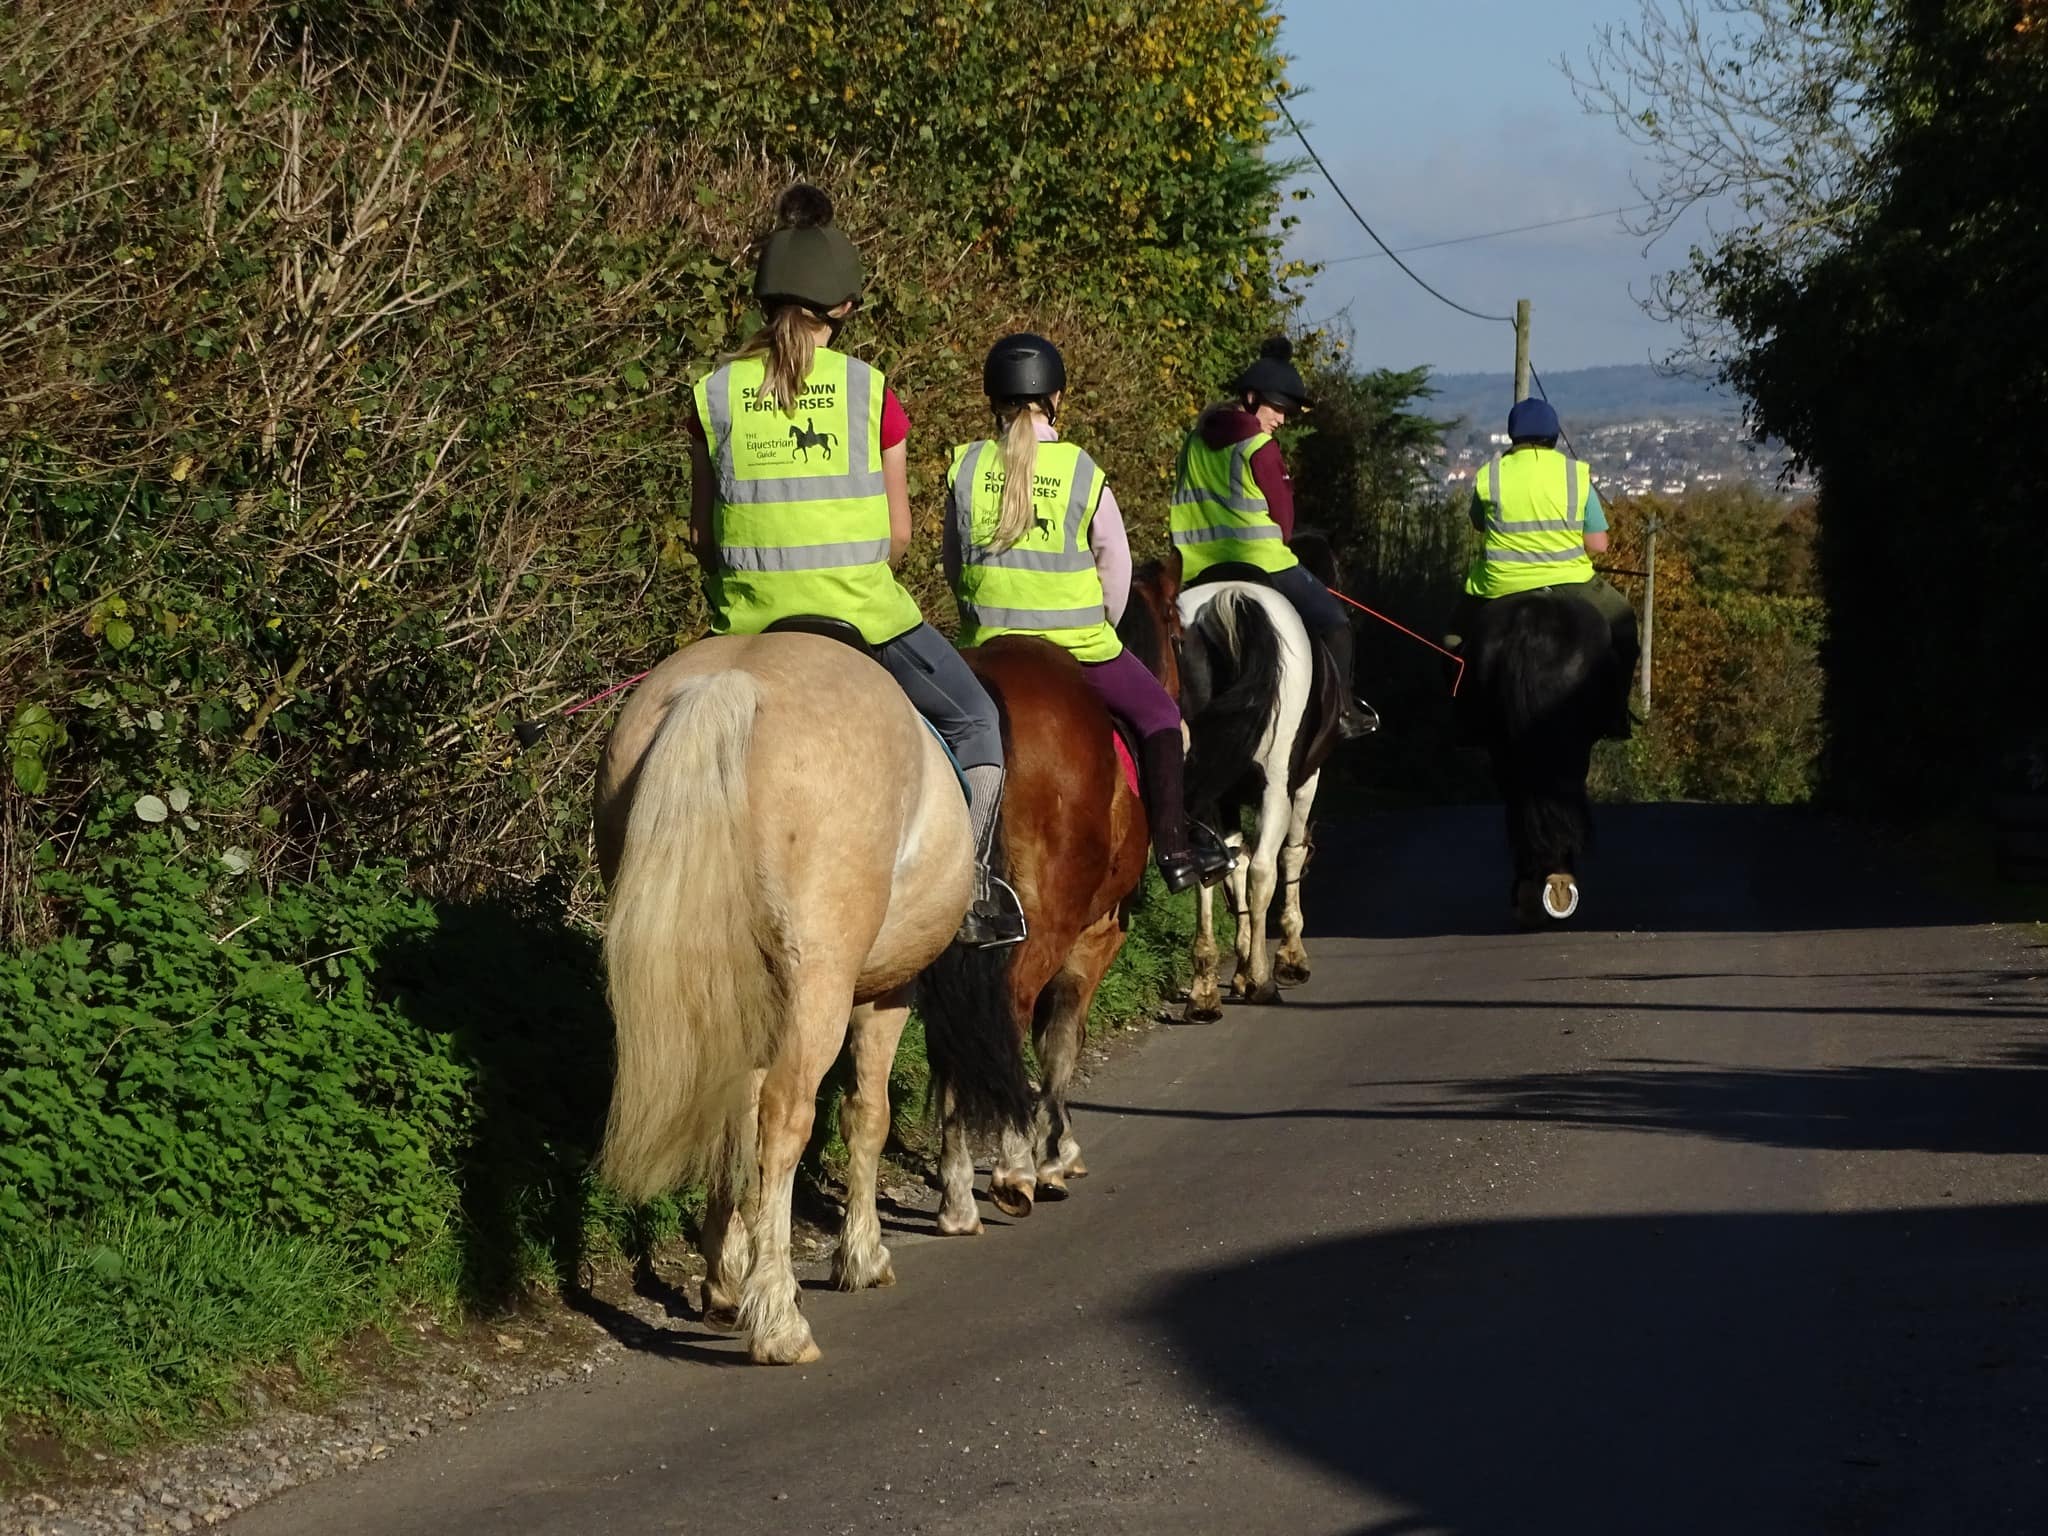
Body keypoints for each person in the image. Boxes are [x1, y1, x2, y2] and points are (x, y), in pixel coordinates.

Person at [685, 185, 1025, 946]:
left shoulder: (712, 397)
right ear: (844, 306)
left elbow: (703, 537)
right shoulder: (872, 393)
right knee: (975, 718)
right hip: (861, 617)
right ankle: (972, 892)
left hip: (742, 627)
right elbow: (899, 537)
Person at [943, 334, 1235, 894]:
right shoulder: (1081, 470)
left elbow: (953, 565)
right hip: (1079, 645)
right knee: (1159, 718)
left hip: (986, 644)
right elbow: (1116, 569)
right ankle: (1175, 851)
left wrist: (981, 616)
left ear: (992, 398)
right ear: (1055, 399)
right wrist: (1099, 622)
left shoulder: (966, 466)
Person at [1170, 338, 1377, 740]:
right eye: (1278, 409)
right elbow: (1283, 520)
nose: (1282, 419)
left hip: (1194, 568)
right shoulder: (1260, 446)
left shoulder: (1192, 441)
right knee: (1336, 623)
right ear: (1250, 399)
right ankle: (1344, 714)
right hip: (1263, 563)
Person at [1448, 396, 1639, 732]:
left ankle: (1462, 717)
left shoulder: (1490, 476)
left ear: (1513, 437)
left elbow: (1479, 524)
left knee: (1452, 641)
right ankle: (1615, 715)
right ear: (1554, 437)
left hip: (1499, 585)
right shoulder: (1576, 476)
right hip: (1572, 583)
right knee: (1624, 626)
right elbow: (1598, 544)